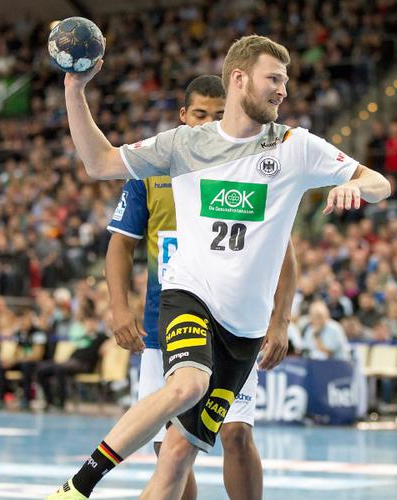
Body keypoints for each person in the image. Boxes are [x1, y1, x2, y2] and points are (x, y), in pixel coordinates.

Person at [49, 34, 390, 499]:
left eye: (285, 81)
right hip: (189, 295)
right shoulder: (183, 144)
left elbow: (379, 182)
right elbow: (99, 162)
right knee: (188, 384)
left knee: (177, 456)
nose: (283, 90)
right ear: (239, 79)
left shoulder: (296, 147)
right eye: (274, 79)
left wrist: (355, 186)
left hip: (243, 331)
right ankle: (77, 487)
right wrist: (75, 90)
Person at [106, 74, 296, 500]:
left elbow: (284, 253)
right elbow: (120, 245)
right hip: (164, 326)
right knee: (168, 450)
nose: (208, 122)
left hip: (231, 326)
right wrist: (119, 307)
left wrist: (281, 320)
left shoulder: (247, 166)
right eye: (199, 114)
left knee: (236, 433)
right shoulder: (151, 170)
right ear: (183, 116)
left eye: (217, 114)